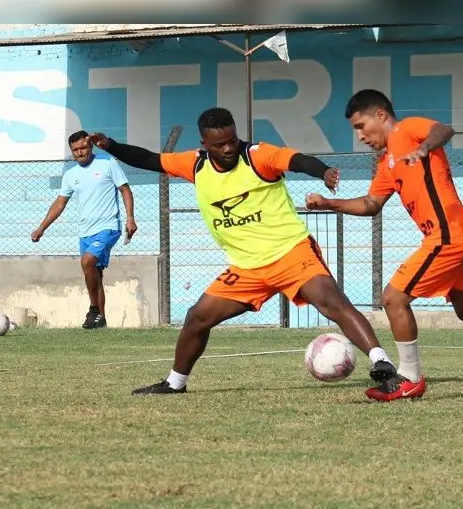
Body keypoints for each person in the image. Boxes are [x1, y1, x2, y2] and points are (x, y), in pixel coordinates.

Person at [87, 107, 398, 395]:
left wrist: (324, 171)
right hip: (247, 268)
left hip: (291, 252)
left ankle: (381, 362)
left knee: (331, 301)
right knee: (197, 317)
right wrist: (111, 146)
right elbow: (150, 159)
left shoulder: (257, 156)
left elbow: (296, 160)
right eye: (219, 143)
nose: (228, 148)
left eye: (232, 140)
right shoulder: (193, 164)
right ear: (204, 143)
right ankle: (175, 383)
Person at [306, 89, 463, 401]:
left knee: (393, 298)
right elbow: (371, 204)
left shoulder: (406, 130)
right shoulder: (387, 162)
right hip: (458, 232)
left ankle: (409, 378)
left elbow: (443, 130)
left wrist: (424, 149)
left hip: (448, 233)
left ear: (380, 115)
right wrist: (329, 203)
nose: (360, 136)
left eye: (360, 126)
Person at [32, 130, 137, 329]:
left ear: (90, 147)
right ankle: (101, 319)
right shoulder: (70, 175)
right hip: (85, 231)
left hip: (108, 226)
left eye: (83, 148)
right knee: (95, 272)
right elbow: (60, 203)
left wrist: (130, 218)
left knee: (87, 261)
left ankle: (93, 310)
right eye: (75, 150)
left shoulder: (107, 163)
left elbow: (125, 190)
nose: (80, 152)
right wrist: (41, 228)